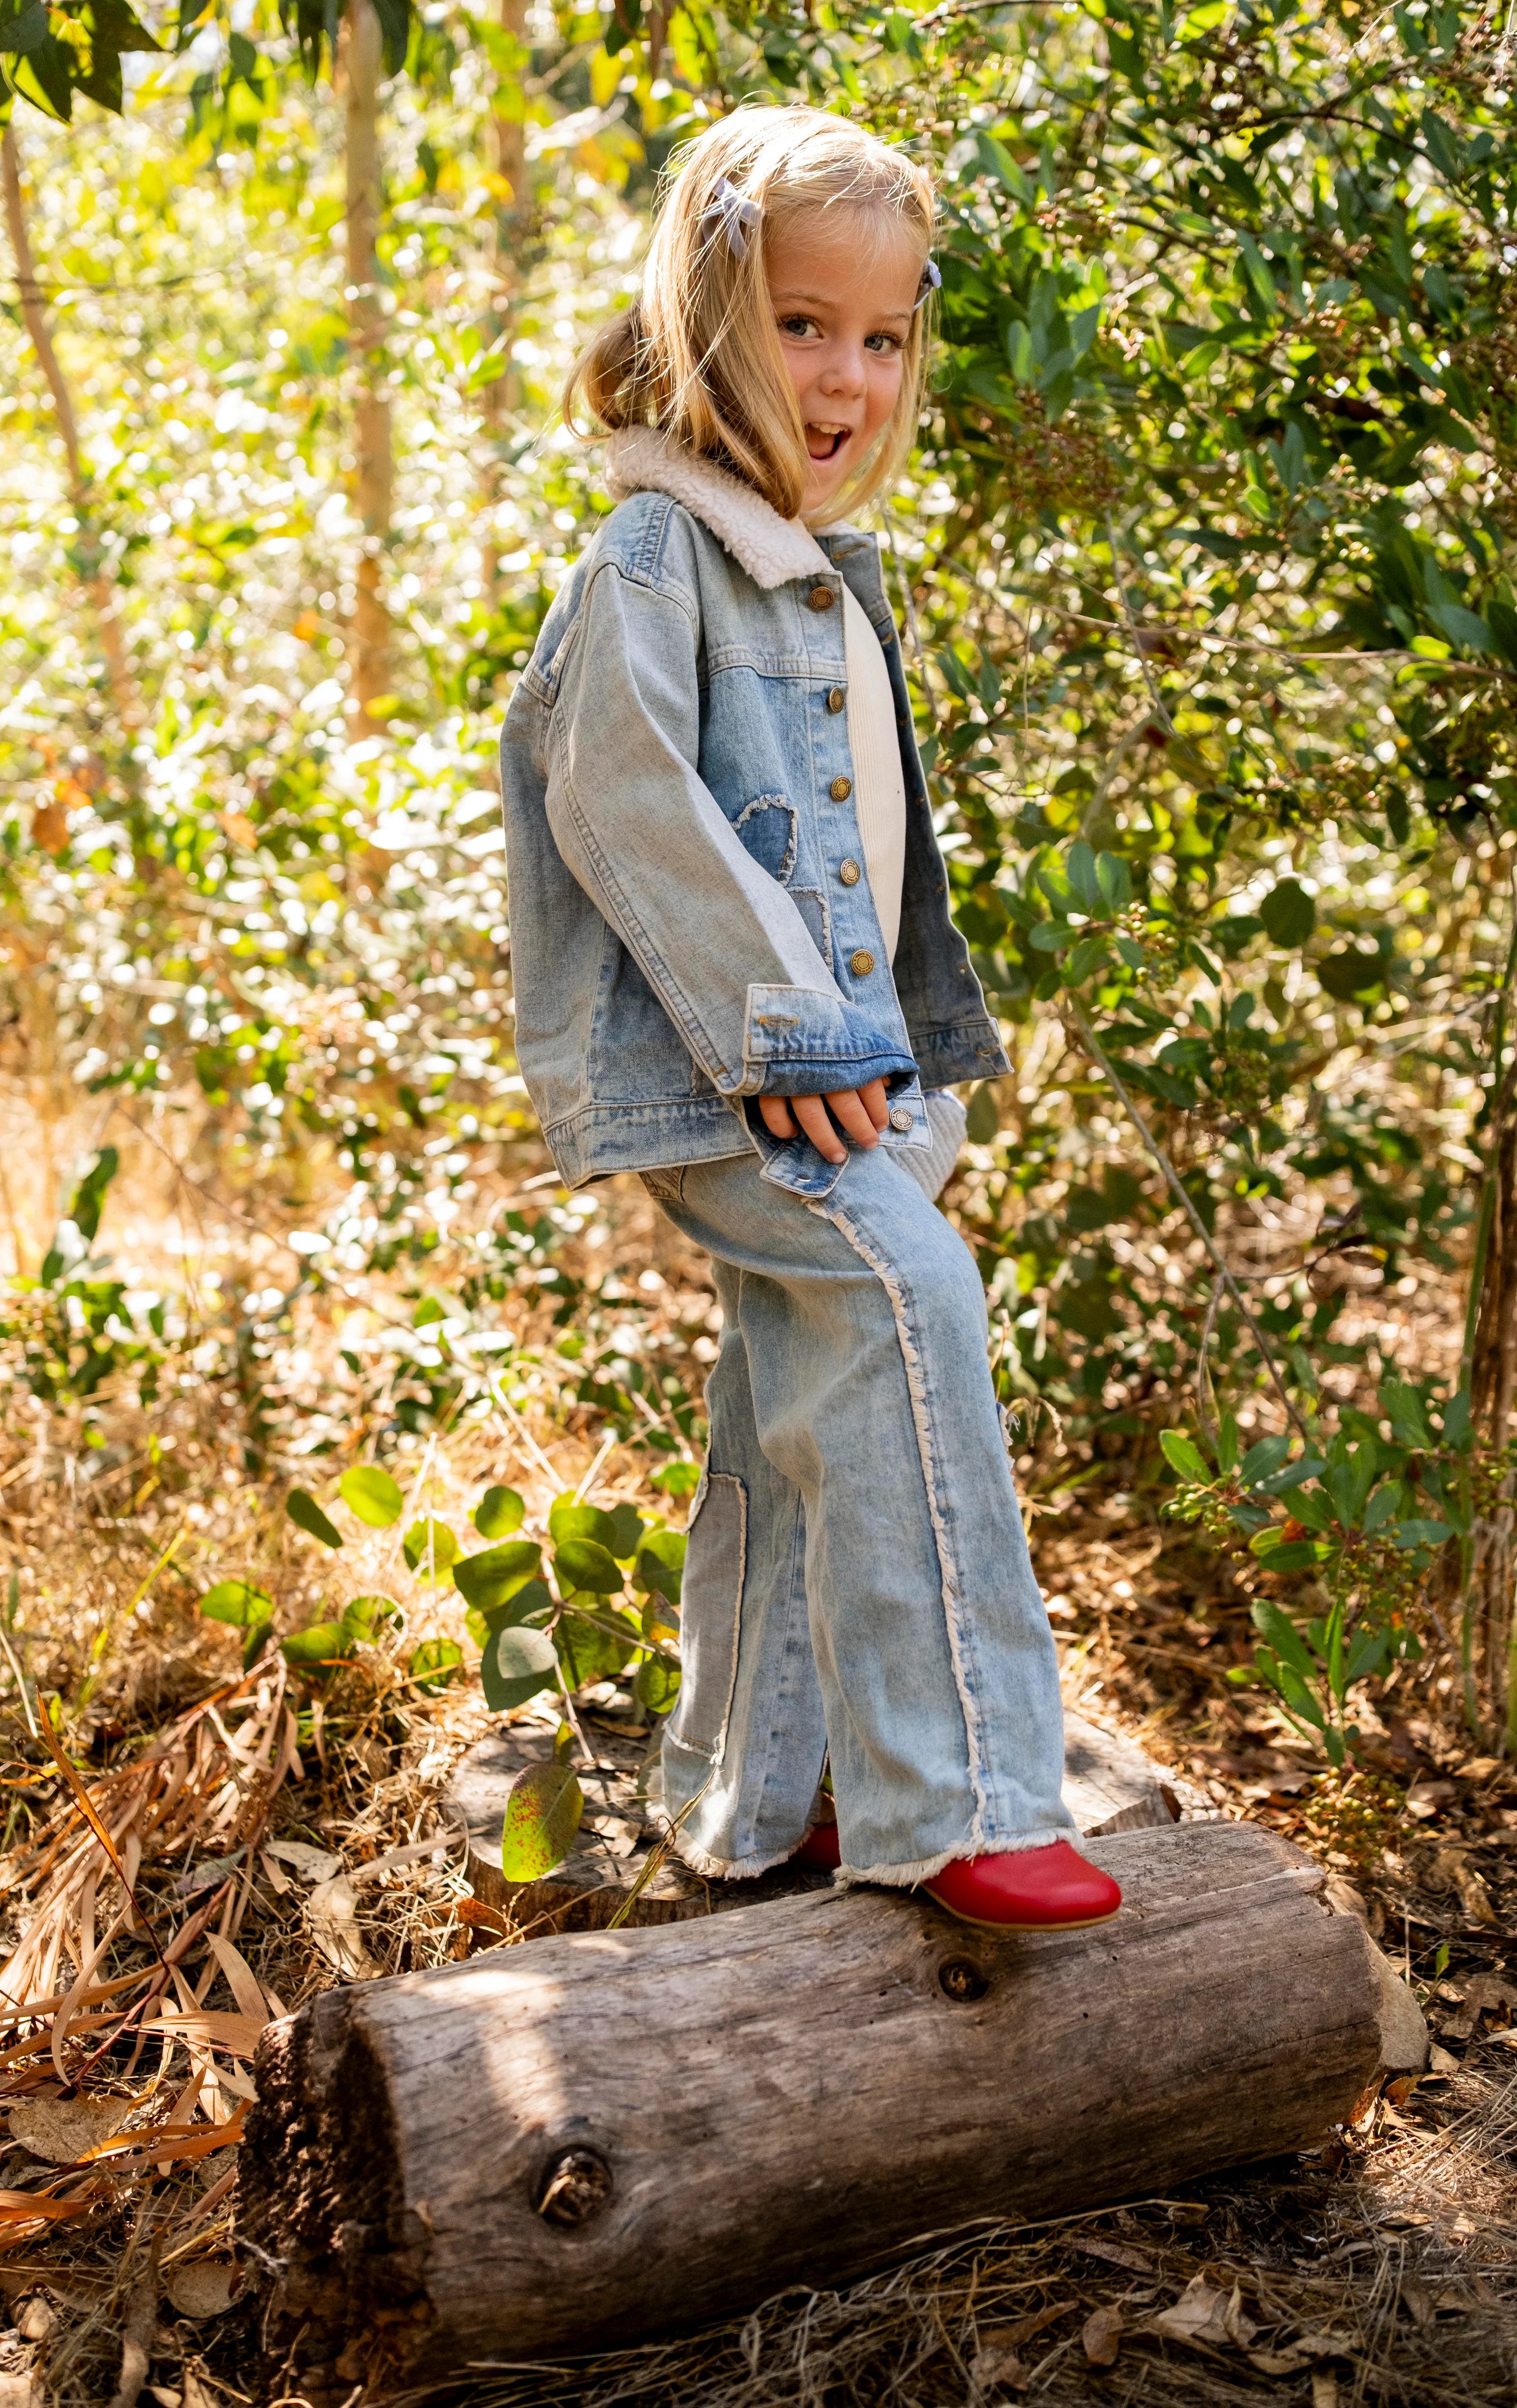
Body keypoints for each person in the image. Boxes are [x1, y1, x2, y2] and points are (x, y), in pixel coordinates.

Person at [500, 104, 1120, 1935]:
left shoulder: (809, 574)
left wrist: (901, 1063)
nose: (847, 373)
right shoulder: (656, 559)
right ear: (707, 317)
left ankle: (757, 1790)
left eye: (884, 334)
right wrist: (794, 1038)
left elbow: (868, 860)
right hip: (738, 1085)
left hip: (841, 1083)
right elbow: (625, 806)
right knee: (909, 1304)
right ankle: (965, 1797)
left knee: (804, 1371)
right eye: (800, 323)